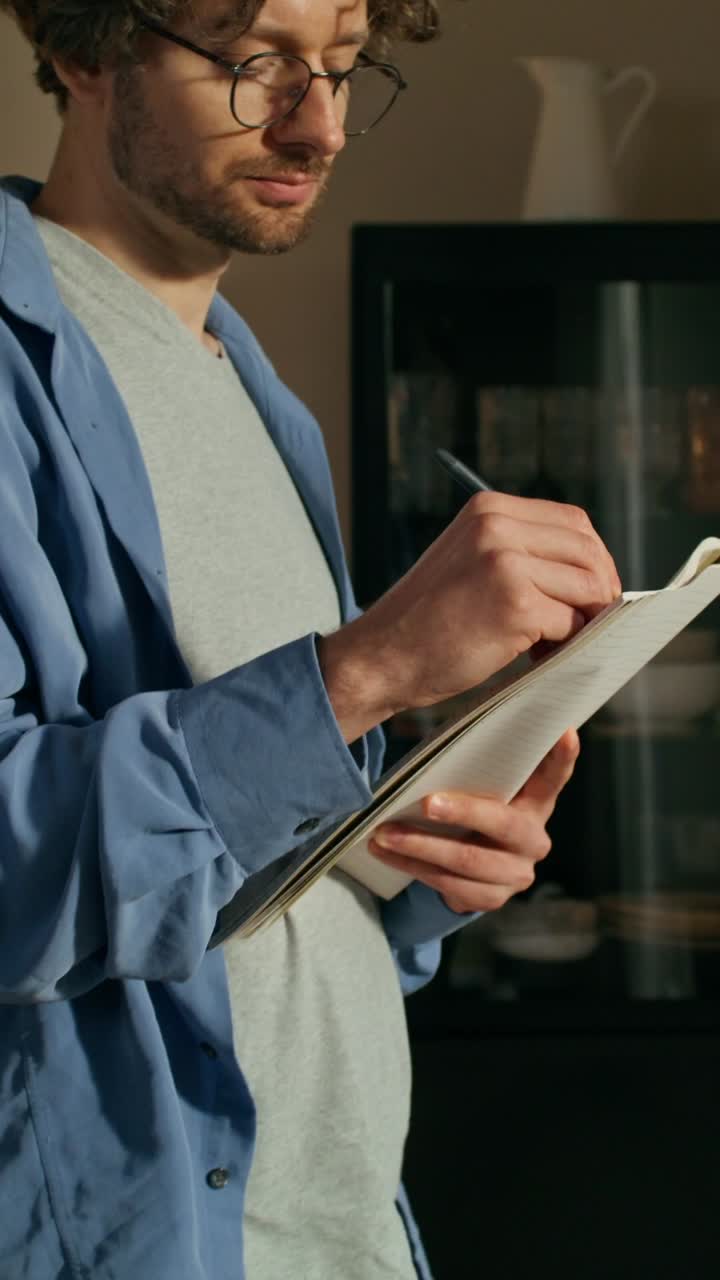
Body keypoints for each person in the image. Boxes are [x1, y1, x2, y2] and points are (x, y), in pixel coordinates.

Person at [0, 2, 621, 1277]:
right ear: (84, 48)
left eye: (343, 68)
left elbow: (244, 877)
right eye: (254, 65)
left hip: (347, 1236)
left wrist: (427, 848)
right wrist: (369, 666)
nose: (319, 123)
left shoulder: (253, 390)